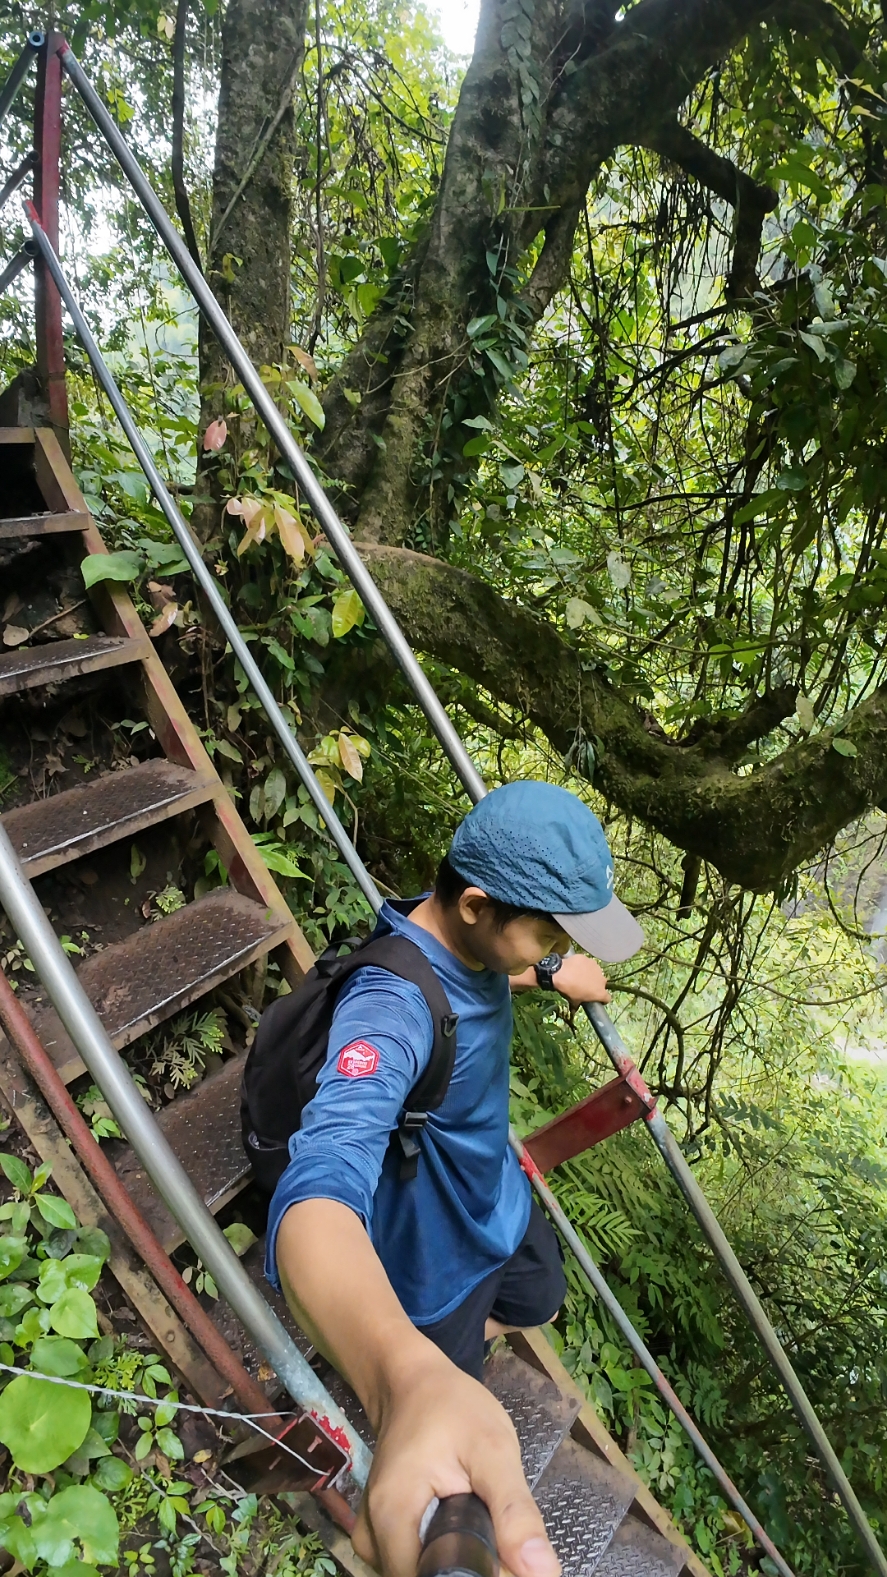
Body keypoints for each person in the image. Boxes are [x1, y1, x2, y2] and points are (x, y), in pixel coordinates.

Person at [266, 781, 644, 1577]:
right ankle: (406, 1418)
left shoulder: (464, 944)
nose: (552, 945)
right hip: (432, 1267)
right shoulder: (388, 1009)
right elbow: (318, 1189)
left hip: (492, 1202)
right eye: (546, 930)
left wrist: (546, 977)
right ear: (476, 903)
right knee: (444, 1402)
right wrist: (409, 1376)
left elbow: (468, 983)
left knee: (538, 1292)